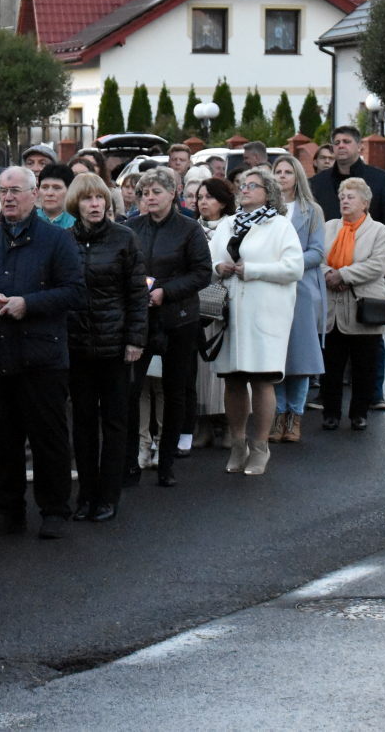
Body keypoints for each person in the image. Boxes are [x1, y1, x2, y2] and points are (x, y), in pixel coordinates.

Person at [0, 167, 85, 540]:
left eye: (15, 191)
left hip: (43, 355)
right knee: (3, 439)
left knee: (48, 437)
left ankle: (54, 510)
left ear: (33, 194)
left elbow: (75, 291)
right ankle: (9, 511)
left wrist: (29, 304)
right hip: (0, 354)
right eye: (3, 191)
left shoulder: (57, 240)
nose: (8, 197)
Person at [209, 164, 302, 475]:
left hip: (265, 315)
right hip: (230, 313)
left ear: (268, 193)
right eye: (243, 185)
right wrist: (217, 268)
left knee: (261, 380)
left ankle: (260, 446)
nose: (244, 190)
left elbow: (294, 268)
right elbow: (208, 258)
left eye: (252, 186)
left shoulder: (280, 226)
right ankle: (238, 444)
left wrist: (254, 270)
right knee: (233, 380)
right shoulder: (228, 224)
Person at [64, 174, 146, 523]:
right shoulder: (64, 241)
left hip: (115, 345)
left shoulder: (124, 238)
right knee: (82, 422)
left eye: (100, 198)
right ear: (76, 204)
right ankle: (86, 494)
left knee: (114, 421)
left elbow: (137, 294)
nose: (95, 204)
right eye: (87, 199)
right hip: (77, 345)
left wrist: (135, 339)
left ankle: (109, 495)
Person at [127, 167, 211, 487]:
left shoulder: (189, 228)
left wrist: (166, 292)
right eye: (145, 193)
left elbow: (202, 273)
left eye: (156, 192)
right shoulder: (132, 227)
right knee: (132, 388)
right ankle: (132, 460)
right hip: (141, 319)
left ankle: (167, 461)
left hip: (179, 318)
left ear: (173, 193)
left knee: (175, 390)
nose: (149, 198)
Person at [309, 125, 385, 412]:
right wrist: (327, 273)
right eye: (336, 142)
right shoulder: (319, 182)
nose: (340, 146)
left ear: (359, 146)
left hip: (366, 267)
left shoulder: (379, 178)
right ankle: (327, 398)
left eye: (346, 141)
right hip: (329, 269)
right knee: (332, 344)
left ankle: (374, 393)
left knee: (370, 337)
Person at [321, 178, 385, 430]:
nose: (345, 201)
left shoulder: (379, 231)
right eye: (342, 197)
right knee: (331, 365)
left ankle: (359, 413)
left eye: (351, 197)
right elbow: (317, 258)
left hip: (364, 308)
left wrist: (343, 275)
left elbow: (376, 266)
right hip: (332, 309)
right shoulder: (329, 227)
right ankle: (330, 413)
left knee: (364, 365)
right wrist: (329, 274)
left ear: (365, 203)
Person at [270, 155, 326, 445]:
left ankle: (295, 416)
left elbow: (317, 252)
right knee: (275, 354)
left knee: (301, 355)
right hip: (271, 288)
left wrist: (288, 264)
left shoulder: (311, 210)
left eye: (287, 172)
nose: (282, 176)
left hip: (301, 287)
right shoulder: (267, 211)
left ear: (297, 177)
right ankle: (278, 414)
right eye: (277, 171)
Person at [191, 177, 234, 447]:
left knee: (226, 364)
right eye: (199, 197)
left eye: (209, 197)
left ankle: (230, 425)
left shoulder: (234, 226)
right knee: (201, 367)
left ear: (223, 201)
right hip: (198, 302)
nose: (203, 202)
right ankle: (204, 426)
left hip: (228, 301)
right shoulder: (191, 228)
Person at [35, 164, 76, 229]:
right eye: (45, 187)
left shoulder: (77, 223)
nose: (49, 193)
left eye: (57, 188)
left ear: (69, 190)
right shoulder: (28, 220)